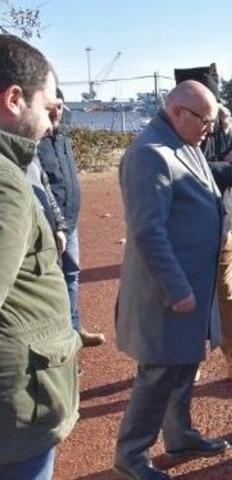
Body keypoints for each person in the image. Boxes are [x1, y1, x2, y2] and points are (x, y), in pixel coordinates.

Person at [113, 80, 229, 480]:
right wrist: (177, 288)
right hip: (168, 292)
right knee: (159, 372)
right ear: (178, 111)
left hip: (194, 283)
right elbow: (148, 231)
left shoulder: (185, 144)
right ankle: (131, 456)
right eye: (204, 120)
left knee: (183, 365)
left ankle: (179, 435)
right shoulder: (150, 154)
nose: (209, 129)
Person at [0, 33, 81, 480]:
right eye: (46, 106)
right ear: (14, 98)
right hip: (15, 417)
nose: (52, 123)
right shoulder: (4, 180)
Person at [175, 65, 232, 387]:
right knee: (186, 301)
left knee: (226, 298)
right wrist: (215, 168)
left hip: (220, 233)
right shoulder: (167, 139)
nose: (205, 124)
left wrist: (201, 167)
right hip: (182, 239)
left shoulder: (224, 132)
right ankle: (189, 361)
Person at [38, 87, 106, 348]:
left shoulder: (63, 139)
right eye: (53, 105)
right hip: (50, 226)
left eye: (61, 106)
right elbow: (43, 186)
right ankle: (59, 341)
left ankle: (74, 330)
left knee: (71, 275)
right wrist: (57, 224)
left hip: (70, 223)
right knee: (51, 283)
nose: (58, 111)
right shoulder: (35, 143)